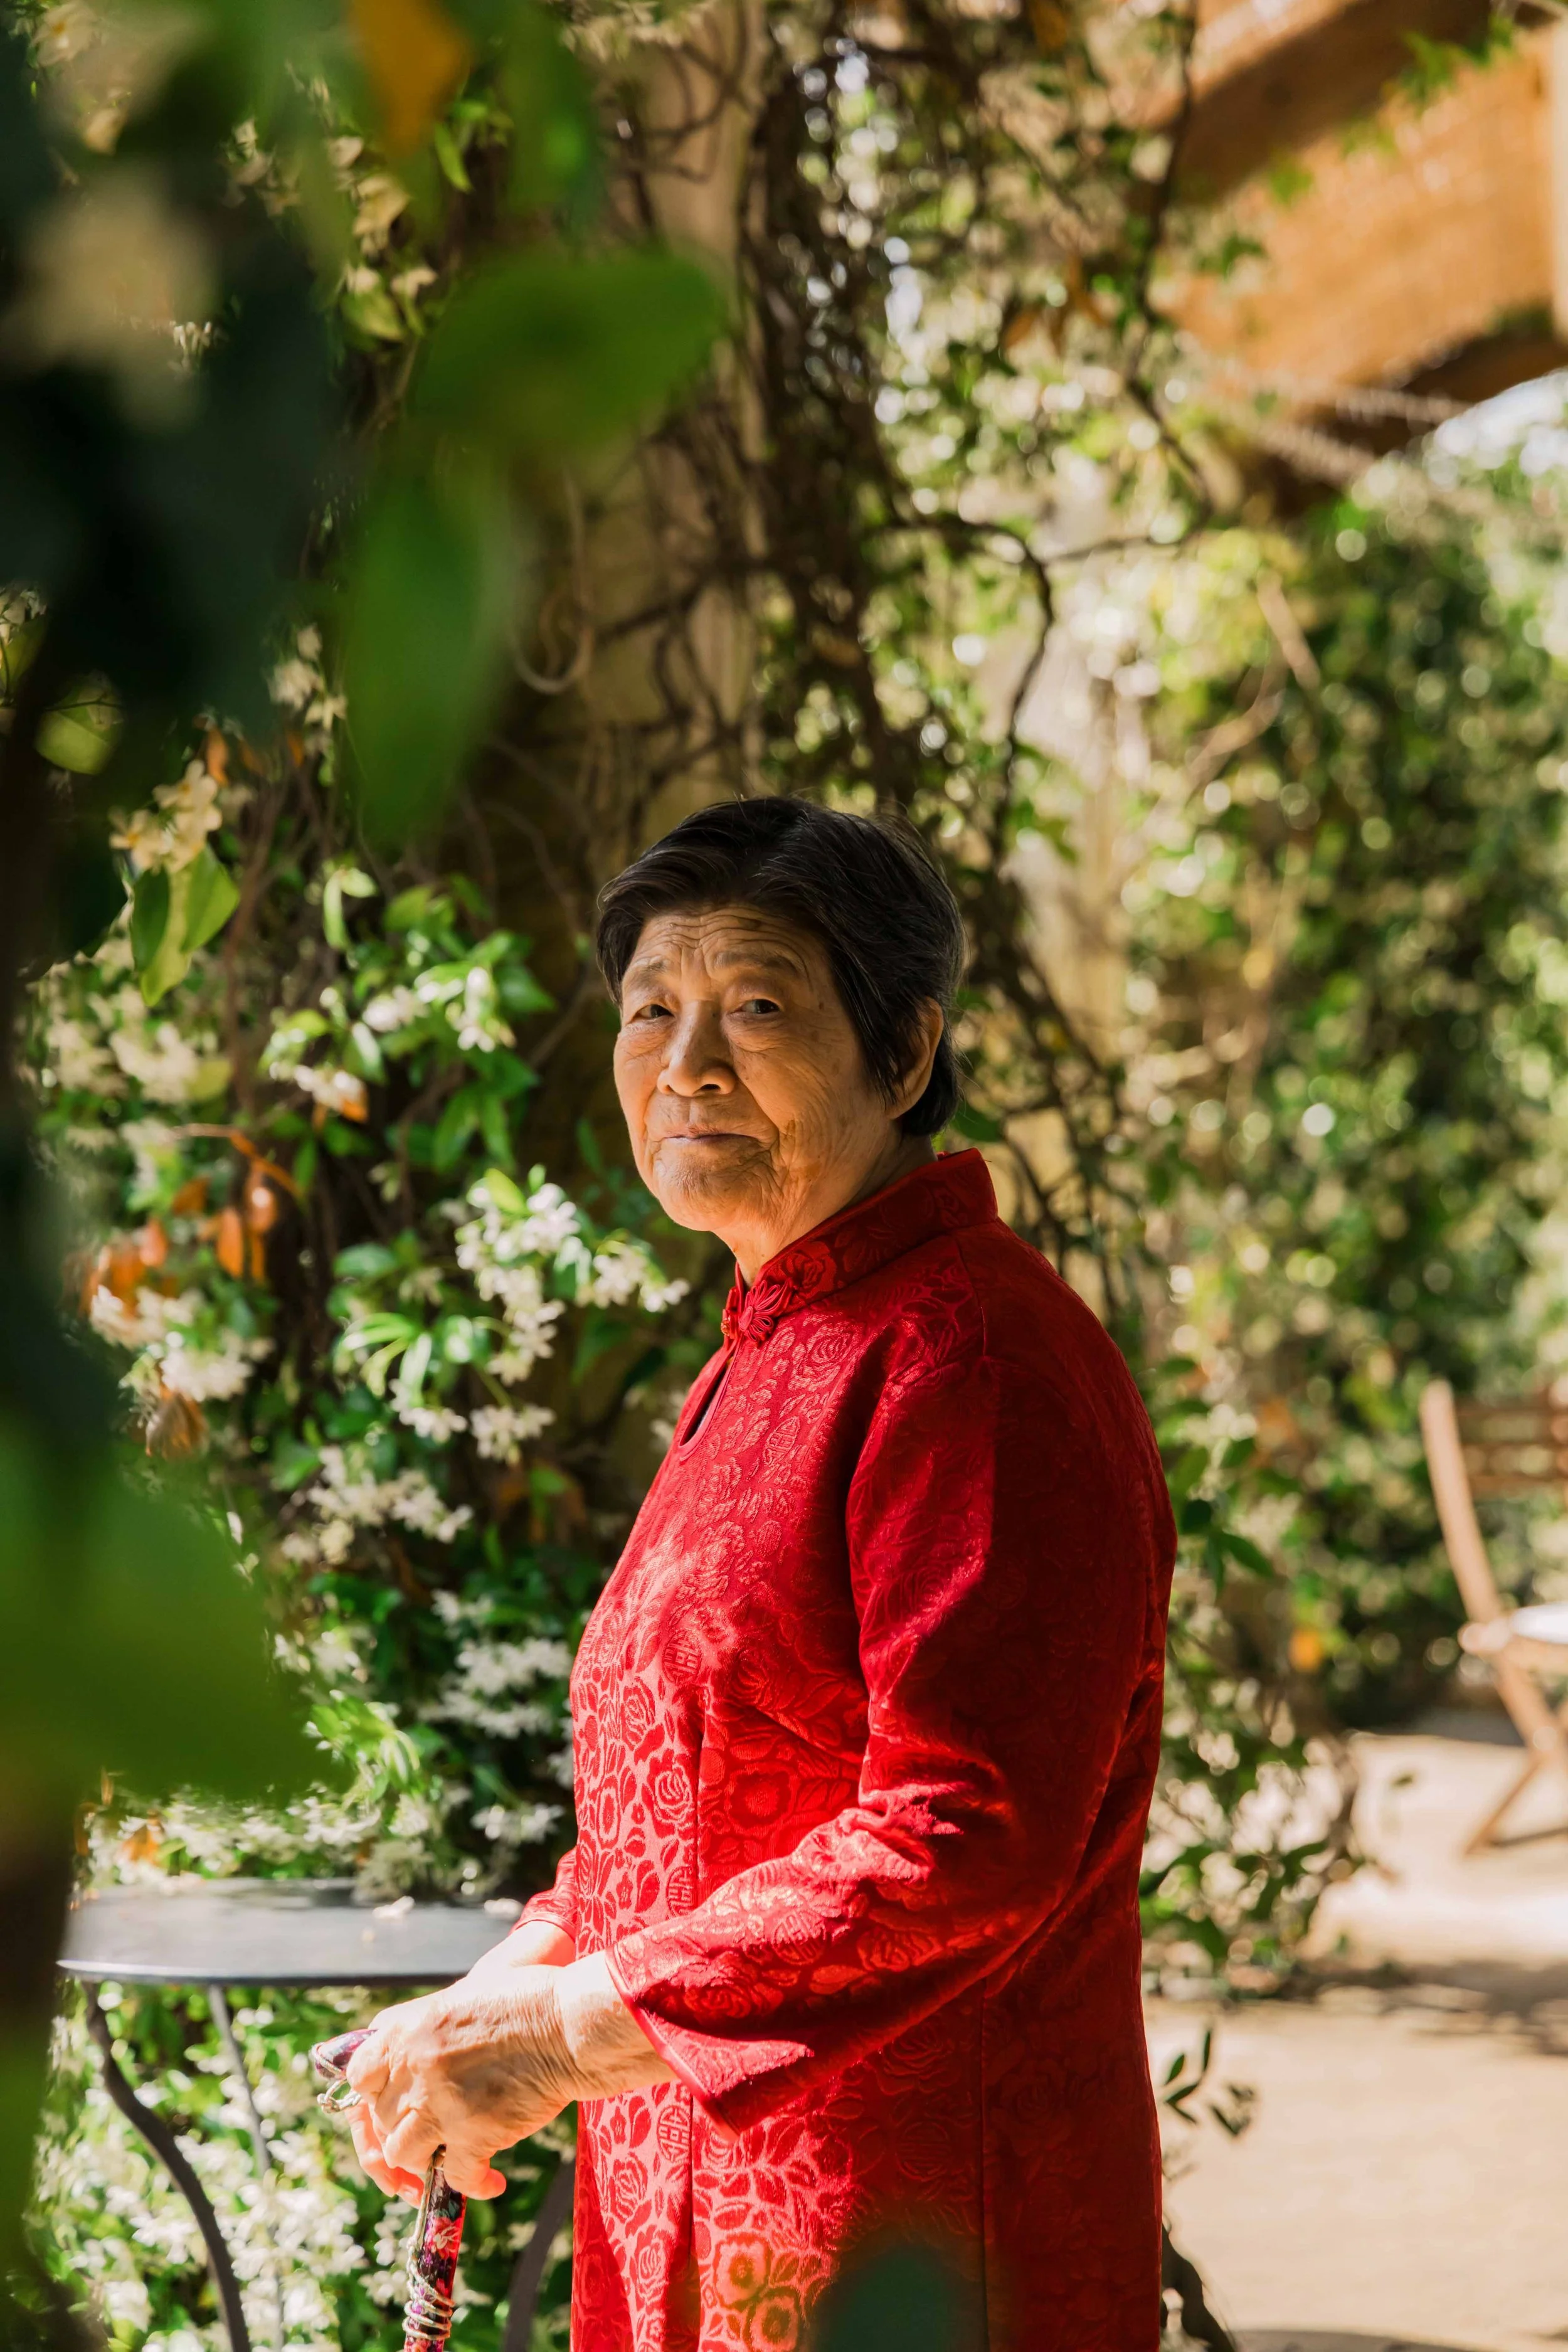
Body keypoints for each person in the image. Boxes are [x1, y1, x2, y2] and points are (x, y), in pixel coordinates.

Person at [345, 796, 1177, 2351]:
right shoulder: (781, 1337)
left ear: (906, 1053)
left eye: (758, 1008)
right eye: (651, 1008)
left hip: (913, 2243)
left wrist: (569, 2034)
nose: (685, 1065)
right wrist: (517, 1975)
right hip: (706, 2203)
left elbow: (963, 1832)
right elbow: (710, 1787)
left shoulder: (968, 1357)